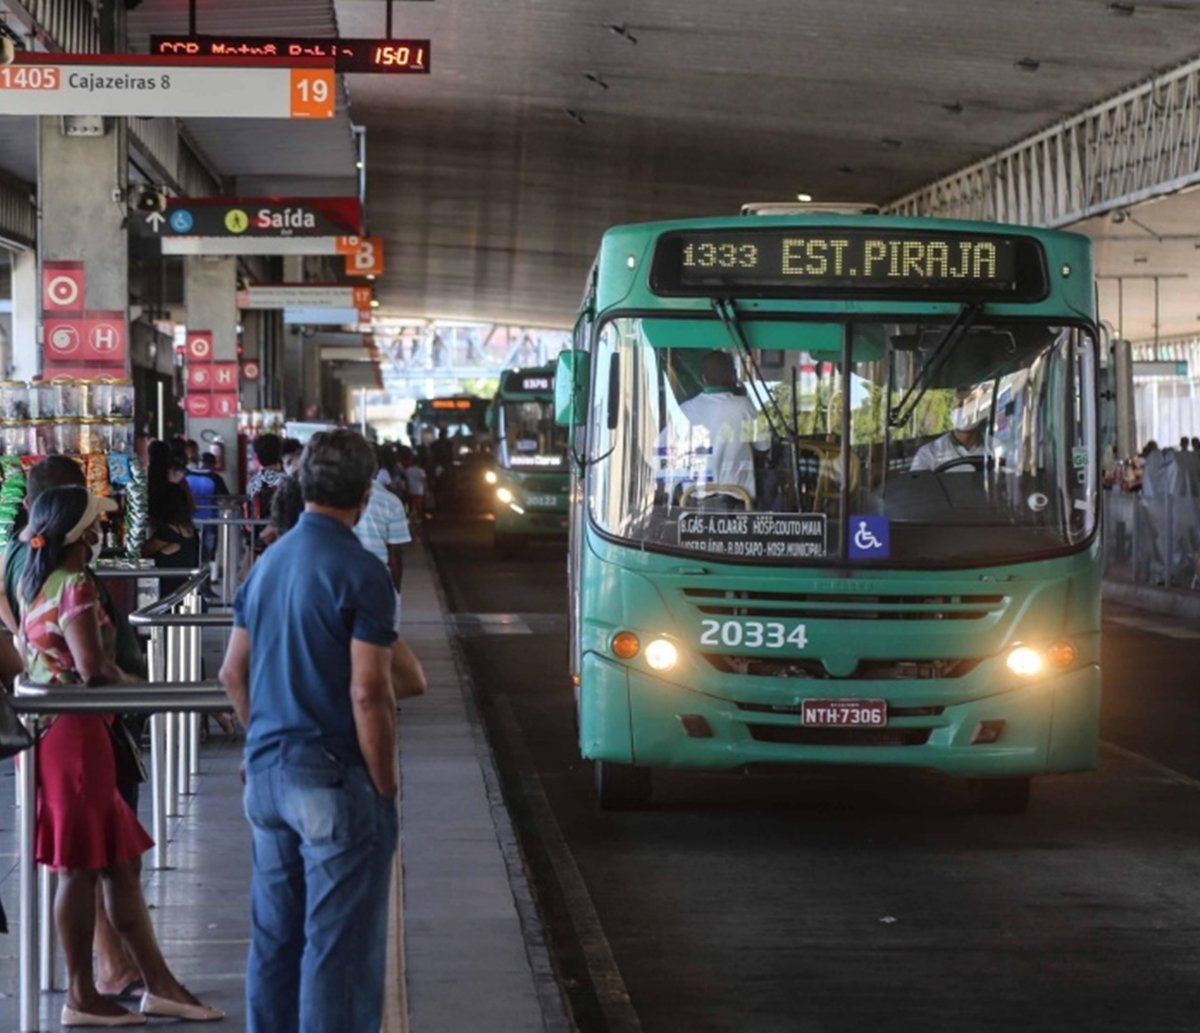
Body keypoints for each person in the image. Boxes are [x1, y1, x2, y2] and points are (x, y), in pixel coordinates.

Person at [19, 486, 223, 1026]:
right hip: (77, 736)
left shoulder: (35, 582)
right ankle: (82, 995)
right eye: (94, 525)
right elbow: (93, 669)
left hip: (54, 734)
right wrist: (143, 686)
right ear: (78, 533)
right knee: (81, 868)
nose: (99, 533)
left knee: (119, 866)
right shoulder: (78, 585)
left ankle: (160, 985)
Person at [219, 430, 398, 1032]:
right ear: (366, 494)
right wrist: (385, 786)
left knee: (275, 940)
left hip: (266, 779)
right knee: (338, 949)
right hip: (330, 778)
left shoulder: (268, 564)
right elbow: (369, 691)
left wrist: (264, 742)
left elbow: (232, 672)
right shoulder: (362, 571)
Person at [670, 350, 770, 509]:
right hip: (739, 501)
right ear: (734, 376)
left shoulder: (684, 410)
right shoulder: (745, 407)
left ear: (702, 379)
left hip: (693, 501)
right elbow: (764, 447)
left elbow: (670, 462)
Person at [354, 472, 412, 635]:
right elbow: (396, 555)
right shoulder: (392, 502)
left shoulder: (337, 499)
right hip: (380, 580)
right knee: (383, 638)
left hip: (348, 580)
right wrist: (396, 592)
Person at [910, 386, 988, 472]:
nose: (963, 410)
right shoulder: (928, 454)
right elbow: (917, 483)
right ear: (951, 411)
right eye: (958, 405)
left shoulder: (997, 449)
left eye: (970, 403)